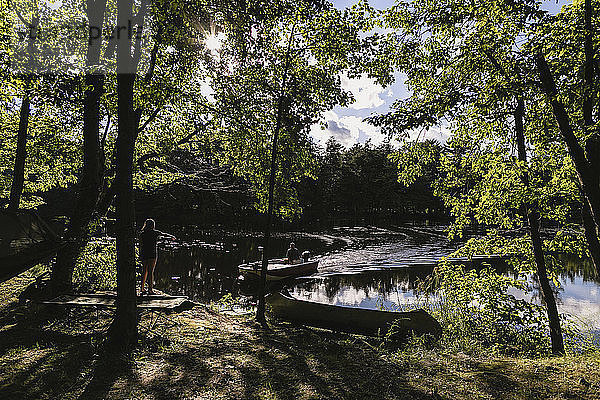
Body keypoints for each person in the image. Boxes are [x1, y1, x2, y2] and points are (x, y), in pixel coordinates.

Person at [138, 218, 175, 295]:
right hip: (152, 253)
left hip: (144, 253)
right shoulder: (155, 233)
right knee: (151, 271)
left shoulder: (142, 233)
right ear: (153, 225)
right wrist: (172, 237)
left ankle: (142, 288)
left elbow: (140, 245)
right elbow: (164, 234)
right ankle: (150, 289)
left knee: (144, 271)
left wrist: (140, 254)